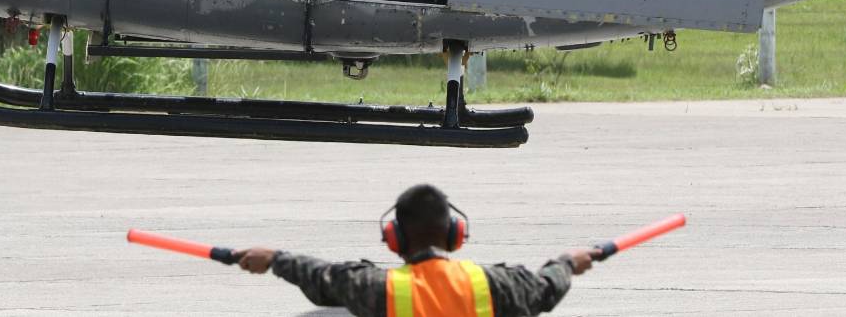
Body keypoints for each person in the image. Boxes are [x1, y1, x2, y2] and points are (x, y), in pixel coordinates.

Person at [232, 184, 598, 317]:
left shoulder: (380, 289)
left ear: (395, 239)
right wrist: (567, 263)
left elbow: (321, 276)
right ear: (455, 234)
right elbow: (545, 289)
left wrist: (274, 258)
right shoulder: (494, 285)